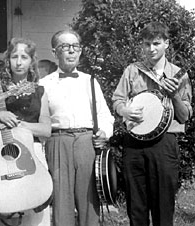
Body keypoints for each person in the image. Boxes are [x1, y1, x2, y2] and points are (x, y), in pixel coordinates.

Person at [112, 21, 192, 226]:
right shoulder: (132, 71)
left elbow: (184, 117)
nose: (151, 49)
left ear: (166, 43)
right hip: (134, 144)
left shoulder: (179, 75)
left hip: (164, 145)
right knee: (136, 206)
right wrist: (125, 110)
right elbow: (117, 101)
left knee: (163, 205)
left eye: (156, 43)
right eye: (146, 44)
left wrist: (174, 97)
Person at [40, 30, 115, 226]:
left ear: (80, 51)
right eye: (65, 47)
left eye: (76, 47)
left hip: (86, 142)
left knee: (89, 201)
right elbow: (41, 120)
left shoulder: (90, 81)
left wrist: (104, 133)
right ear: (55, 52)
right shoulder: (44, 84)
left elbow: (106, 115)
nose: (71, 51)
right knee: (61, 201)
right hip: (58, 142)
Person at [0, 37, 52, 226]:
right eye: (14, 57)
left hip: (32, 155)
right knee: (3, 211)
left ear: (31, 62)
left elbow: (46, 130)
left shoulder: (39, 91)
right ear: (8, 61)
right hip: (3, 160)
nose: (19, 62)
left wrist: (18, 124)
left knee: (36, 215)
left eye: (24, 57)